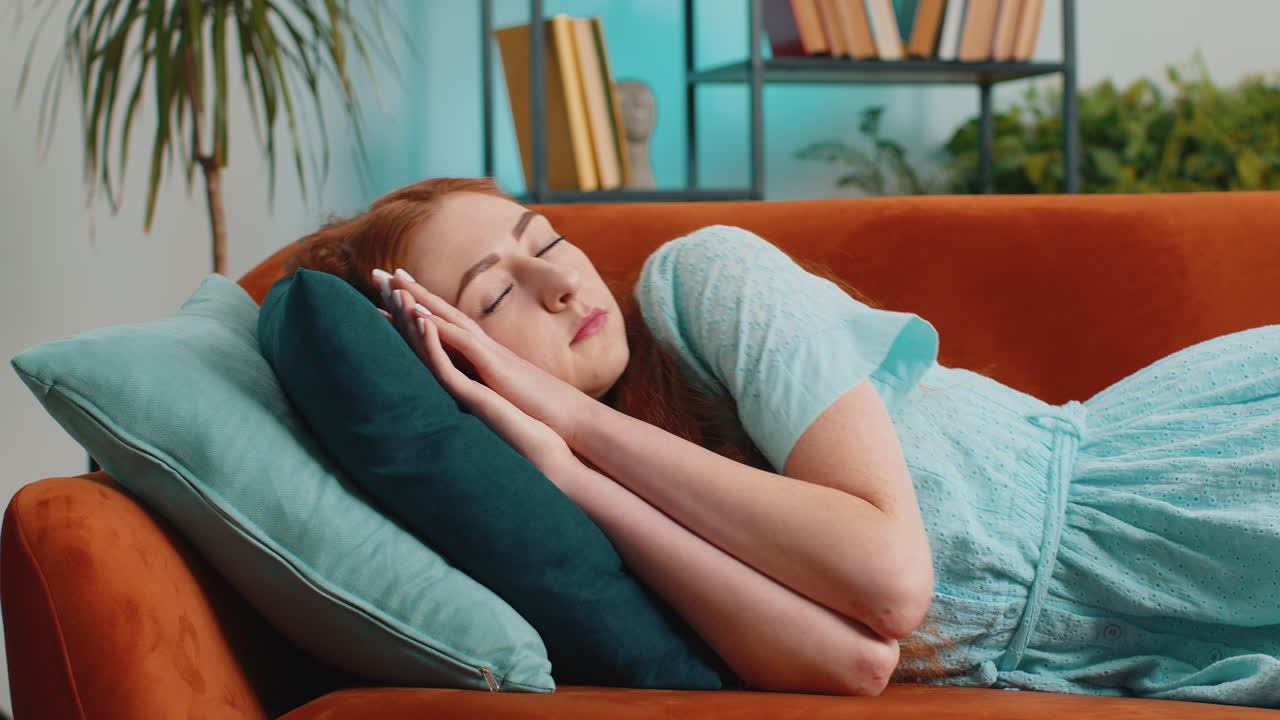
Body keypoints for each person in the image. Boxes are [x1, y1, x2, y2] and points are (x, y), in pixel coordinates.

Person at [287, 177, 1280, 708]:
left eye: (543, 240)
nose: (557, 284)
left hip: (1189, 477)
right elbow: (853, 665)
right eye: (495, 294)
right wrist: (567, 476)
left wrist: (575, 425)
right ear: (452, 363)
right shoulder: (587, 511)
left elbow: (888, 578)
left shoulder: (702, 282)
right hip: (1129, 654)